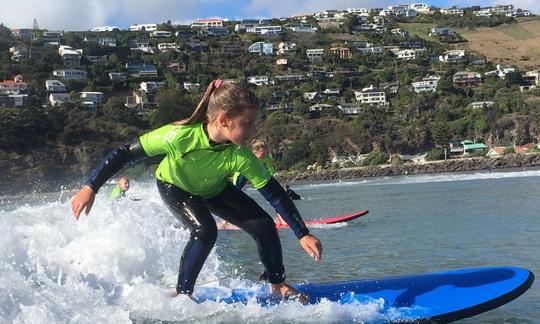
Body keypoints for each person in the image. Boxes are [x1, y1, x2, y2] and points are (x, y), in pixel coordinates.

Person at [70, 80, 322, 302]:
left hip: (214, 188)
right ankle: (183, 294)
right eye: (247, 123)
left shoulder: (241, 155)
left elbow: (274, 193)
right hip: (175, 186)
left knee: (265, 226)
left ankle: (276, 284)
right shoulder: (178, 136)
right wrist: (90, 186)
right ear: (224, 120)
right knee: (205, 230)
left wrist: (302, 233)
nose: (252, 130)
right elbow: (125, 153)